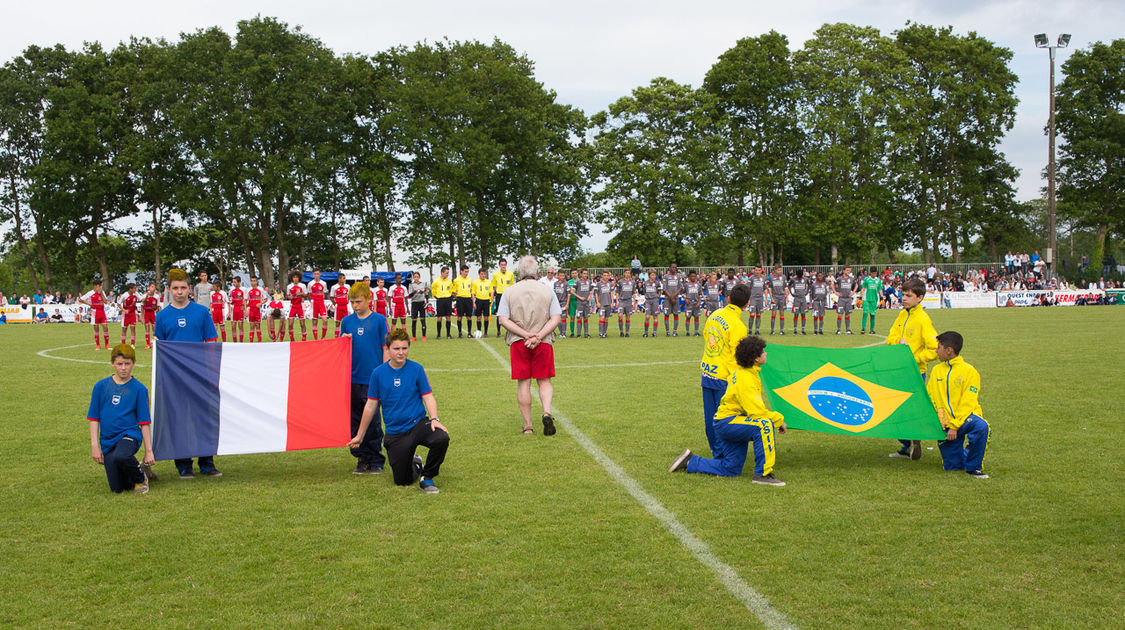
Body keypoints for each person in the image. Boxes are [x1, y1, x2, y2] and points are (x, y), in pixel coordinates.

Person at [670, 335, 787, 486]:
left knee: (731, 469)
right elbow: (756, 412)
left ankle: (690, 461)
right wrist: (778, 420)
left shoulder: (746, 372)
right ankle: (763, 474)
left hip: (727, 422)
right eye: (763, 352)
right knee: (764, 425)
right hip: (729, 423)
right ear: (756, 358)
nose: (766, 354)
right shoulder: (746, 378)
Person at [348, 328, 449, 494]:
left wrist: (434, 419)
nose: (401, 353)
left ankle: (427, 477)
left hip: (418, 424)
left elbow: (428, 397)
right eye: (396, 349)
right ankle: (415, 463)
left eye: (404, 348)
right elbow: (371, 406)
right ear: (387, 349)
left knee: (441, 438)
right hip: (396, 432)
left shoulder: (416, 369)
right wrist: (360, 435)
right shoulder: (378, 374)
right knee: (402, 481)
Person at [154, 268, 221, 478]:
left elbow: (211, 344)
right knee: (179, 420)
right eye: (175, 288)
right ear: (169, 290)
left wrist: (210, 372)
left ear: (189, 288)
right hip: (174, 379)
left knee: (203, 419)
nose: (180, 292)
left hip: (200, 376)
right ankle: (183, 464)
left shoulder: (201, 312)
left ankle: (207, 463)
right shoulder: (162, 316)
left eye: (183, 287)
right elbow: (160, 349)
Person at [497, 255, 562, 435]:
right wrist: (539, 335)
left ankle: (528, 426)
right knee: (544, 380)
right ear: (537, 272)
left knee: (523, 383)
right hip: (544, 342)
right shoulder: (547, 290)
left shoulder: (509, 291)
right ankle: (547, 412)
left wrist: (526, 334)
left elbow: (503, 319)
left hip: (519, 342)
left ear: (519, 272)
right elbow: (556, 317)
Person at [87, 343, 155, 494]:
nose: (123, 368)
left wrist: (148, 451)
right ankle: (141, 468)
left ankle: (141, 477)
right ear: (112, 364)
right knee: (118, 488)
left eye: (127, 364)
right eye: (119, 364)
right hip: (108, 439)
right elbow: (94, 417)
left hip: (129, 435)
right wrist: (94, 445)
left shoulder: (139, 389)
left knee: (121, 455)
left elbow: (144, 423)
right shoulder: (100, 386)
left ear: (133, 363)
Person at [885, 276, 938, 461]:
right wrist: (897, 342)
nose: (904, 298)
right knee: (896, 409)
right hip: (898, 370)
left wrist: (915, 359)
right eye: (903, 294)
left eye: (908, 295)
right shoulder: (901, 315)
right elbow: (890, 338)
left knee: (910, 409)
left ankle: (913, 441)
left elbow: (934, 349)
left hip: (915, 372)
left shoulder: (923, 319)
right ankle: (906, 444)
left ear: (920, 297)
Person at [339, 282, 389, 474]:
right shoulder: (347, 321)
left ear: (369, 300)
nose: (354, 305)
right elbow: (340, 349)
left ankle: (376, 459)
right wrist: (344, 340)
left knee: (374, 421)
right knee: (354, 420)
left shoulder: (378, 320)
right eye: (352, 302)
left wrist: (383, 373)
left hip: (371, 379)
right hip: (351, 379)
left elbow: (385, 347)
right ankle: (361, 458)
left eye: (358, 301)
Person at [927, 331, 990, 478]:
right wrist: (942, 421)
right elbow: (932, 398)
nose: (936, 351)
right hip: (946, 423)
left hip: (966, 418)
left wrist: (955, 426)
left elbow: (969, 402)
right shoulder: (936, 371)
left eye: (939, 347)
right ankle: (966, 453)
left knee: (982, 426)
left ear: (949, 350)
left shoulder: (969, 371)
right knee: (953, 467)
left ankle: (974, 468)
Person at [698, 283, 750, 458]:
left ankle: (717, 451)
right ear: (747, 304)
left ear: (728, 298)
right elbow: (739, 356)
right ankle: (723, 454)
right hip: (724, 377)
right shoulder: (738, 326)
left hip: (707, 372)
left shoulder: (714, 314)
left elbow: (707, 334)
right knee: (724, 418)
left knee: (710, 416)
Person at [79, 280, 109, 350]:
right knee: (96, 328)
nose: (100, 287)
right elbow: (81, 299)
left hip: (102, 311)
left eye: (101, 286)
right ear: (95, 286)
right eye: (99, 286)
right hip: (94, 312)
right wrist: (89, 304)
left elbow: (106, 302)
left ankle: (107, 345)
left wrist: (101, 293)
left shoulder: (102, 292)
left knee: (105, 327)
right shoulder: (90, 293)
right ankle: (98, 345)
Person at [491, 258, 515, 337]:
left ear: (506, 265)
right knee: (499, 313)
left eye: (504, 265)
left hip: (508, 295)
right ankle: (498, 331)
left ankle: (510, 331)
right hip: (499, 295)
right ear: (499, 266)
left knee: (510, 314)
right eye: (502, 265)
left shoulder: (510, 274)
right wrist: (492, 299)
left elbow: (512, 286)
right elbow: (494, 287)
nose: (503, 266)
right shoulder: (495, 274)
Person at [432, 266, 454, 339]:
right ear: (442, 273)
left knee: (448, 317)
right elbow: (433, 292)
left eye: (448, 273)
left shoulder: (449, 281)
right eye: (446, 273)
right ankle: (438, 335)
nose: (447, 274)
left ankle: (448, 334)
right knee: (439, 317)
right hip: (440, 300)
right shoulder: (436, 281)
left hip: (448, 300)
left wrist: (449, 297)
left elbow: (451, 290)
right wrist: (438, 297)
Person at [860, 266, 883, 335]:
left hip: (874, 299)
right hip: (866, 298)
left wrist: (882, 297)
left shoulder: (878, 280)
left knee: (872, 314)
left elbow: (880, 289)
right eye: (873, 273)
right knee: (865, 312)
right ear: (870, 273)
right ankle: (863, 328)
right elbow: (863, 288)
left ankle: (872, 329)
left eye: (875, 273)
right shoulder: (866, 279)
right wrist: (860, 296)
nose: (874, 274)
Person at [570, 268, 593, 338]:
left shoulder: (589, 282)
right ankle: (579, 334)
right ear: (581, 274)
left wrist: (590, 296)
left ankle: (586, 333)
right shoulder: (577, 282)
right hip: (579, 303)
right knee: (579, 318)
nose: (585, 275)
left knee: (586, 318)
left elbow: (591, 290)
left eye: (586, 273)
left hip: (587, 303)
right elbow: (572, 291)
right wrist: (579, 297)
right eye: (584, 273)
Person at [286, 271, 308, 341]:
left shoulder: (302, 286)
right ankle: (292, 339)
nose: (295, 279)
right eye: (294, 277)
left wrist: (301, 294)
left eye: (296, 277)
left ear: (299, 278)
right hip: (293, 306)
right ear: (292, 278)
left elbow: (306, 295)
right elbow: (288, 295)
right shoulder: (289, 286)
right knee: (290, 324)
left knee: (302, 323)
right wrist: (290, 297)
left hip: (300, 306)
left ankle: (304, 338)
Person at [834, 265, 856, 335]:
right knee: (840, 315)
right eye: (847, 270)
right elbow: (833, 285)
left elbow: (857, 285)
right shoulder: (839, 279)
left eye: (849, 270)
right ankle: (838, 330)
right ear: (843, 271)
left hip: (848, 299)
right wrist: (836, 292)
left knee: (848, 315)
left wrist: (853, 292)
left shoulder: (852, 279)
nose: (848, 272)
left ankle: (848, 330)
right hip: (841, 299)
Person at [453, 265, 474, 338]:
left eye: (467, 271)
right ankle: (460, 333)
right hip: (460, 299)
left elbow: (471, 291)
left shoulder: (470, 280)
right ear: (461, 271)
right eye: (465, 271)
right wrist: (457, 298)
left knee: (469, 317)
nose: (466, 273)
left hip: (468, 299)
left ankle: (469, 333)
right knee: (459, 317)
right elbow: (454, 291)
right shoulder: (456, 280)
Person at [308, 269, 329, 340]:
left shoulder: (323, 283)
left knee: (325, 320)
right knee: (314, 321)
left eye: (318, 274)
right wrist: (311, 301)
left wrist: (321, 295)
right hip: (314, 303)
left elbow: (325, 292)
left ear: (320, 274)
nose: (316, 275)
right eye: (315, 274)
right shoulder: (310, 283)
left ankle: (323, 337)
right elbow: (309, 294)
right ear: (313, 275)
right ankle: (316, 339)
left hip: (321, 303)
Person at [662, 263, 682, 336]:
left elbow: (680, 287)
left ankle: (674, 332)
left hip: (676, 298)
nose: (674, 268)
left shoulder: (678, 276)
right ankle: (667, 332)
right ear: (669, 268)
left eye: (675, 267)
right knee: (666, 315)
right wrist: (670, 296)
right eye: (672, 267)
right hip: (667, 298)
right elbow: (664, 288)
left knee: (676, 314)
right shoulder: (665, 276)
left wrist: (673, 296)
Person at [472, 268, 493, 336]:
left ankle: (486, 332)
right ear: (479, 274)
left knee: (486, 317)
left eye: (484, 274)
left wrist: (491, 301)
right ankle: (479, 331)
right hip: (478, 300)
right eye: (482, 274)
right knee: (478, 317)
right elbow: (473, 293)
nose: (483, 275)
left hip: (486, 301)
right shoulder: (475, 282)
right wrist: (473, 302)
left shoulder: (489, 282)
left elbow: (491, 292)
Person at [767, 266, 788, 335]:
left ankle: (781, 330)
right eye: (778, 270)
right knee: (773, 313)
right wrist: (771, 297)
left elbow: (785, 288)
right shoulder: (771, 278)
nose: (780, 271)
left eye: (780, 270)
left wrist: (786, 297)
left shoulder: (784, 277)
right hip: (775, 297)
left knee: (782, 313)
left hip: (782, 297)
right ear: (775, 270)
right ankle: (772, 330)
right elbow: (769, 288)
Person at [408, 271, 428, 341]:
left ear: (419, 277)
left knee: (422, 319)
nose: (416, 278)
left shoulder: (423, 284)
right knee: (414, 320)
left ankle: (424, 336)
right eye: (415, 277)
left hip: (421, 302)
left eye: (417, 277)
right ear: (413, 277)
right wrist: (415, 292)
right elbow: (409, 296)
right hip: (414, 303)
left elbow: (426, 293)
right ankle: (414, 336)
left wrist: (427, 302)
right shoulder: (411, 285)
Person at [594, 270, 615, 338]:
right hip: (601, 304)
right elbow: (596, 293)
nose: (606, 277)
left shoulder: (610, 284)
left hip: (608, 303)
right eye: (604, 275)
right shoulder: (598, 284)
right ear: (602, 276)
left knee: (606, 319)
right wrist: (597, 302)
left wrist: (612, 302)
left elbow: (611, 293)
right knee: (602, 318)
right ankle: (600, 333)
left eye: (607, 275)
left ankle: (604, 333)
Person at [747, 267, 767, 335]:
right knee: (752, 314)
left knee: (759, 314)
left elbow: (765, 289)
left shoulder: (763, 278)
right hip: (753, 298)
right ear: (754, 271)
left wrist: (766, 299)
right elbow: (747, 289)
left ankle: (757, 330)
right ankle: (750, 330)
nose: (757, 271)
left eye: (759, 270)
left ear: (761, 271)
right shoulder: (751, 278)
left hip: (760, 299)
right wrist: (748, 299)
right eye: (756, 270)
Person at [642, 270, 661, 338]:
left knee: (655, 317)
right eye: (652, 275)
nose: (653, 276)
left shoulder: (657, 283)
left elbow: (659, 292)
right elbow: (644, 292)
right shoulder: (645, 283)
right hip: (648, 301)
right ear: (649, 275)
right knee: (647, 317)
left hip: (655, 301)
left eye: (654, 275)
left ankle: (654, 333)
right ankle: (646, 332)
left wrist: (657, 298)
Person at [616, 272, 636, 337]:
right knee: (620, 315)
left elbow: (633, 293)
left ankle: (627, 333)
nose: (628, 274)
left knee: (628, 317)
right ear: (624, 273)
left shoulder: (632, 282)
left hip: (629, 301)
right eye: (626, 273)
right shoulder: (620, 282)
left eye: (629, 273)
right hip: (621, 301)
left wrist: (634, 302)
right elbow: (617, 292)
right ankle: (621, 332)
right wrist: (616, 301)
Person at [246, 276, 266, 342]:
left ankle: (259, 342)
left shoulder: (261, 289)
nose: (253, 282)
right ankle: (251, 342)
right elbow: (245, 300)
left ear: (257, 281)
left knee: (258, 325)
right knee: (251, 326)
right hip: (251, 309)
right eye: (252, 281)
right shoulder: (248, 290)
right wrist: (245, 310)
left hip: (258, 310)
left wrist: (260, 303)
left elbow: (265, 299)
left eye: (254, 280)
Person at [790, 270, 810, 335]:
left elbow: (809, 284)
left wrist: (807, 291)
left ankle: (803, 330)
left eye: (800, 277)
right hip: (796, 298)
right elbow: (789, 285)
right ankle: (795, 330)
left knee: (803, 313)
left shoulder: (805, 279)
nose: (799, 278)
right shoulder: (793, 280)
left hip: (803, 298)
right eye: (799, 277)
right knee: (796, 314)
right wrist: (792, 293)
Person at [331, 272, 350, 337]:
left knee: (346, 322)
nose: (345, 280)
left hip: (345, 306)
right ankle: (336, 337)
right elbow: (331, 297)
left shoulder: (347, 286)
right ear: (339, 279)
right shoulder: (334, 287)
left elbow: (349, 296)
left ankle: (346, 336)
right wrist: (335, 304)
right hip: (338, 307)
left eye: (345, 278)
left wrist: (348, 302)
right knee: (337, 322)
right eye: (343, 278)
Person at [552, 273, 569, 338]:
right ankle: (561, 333)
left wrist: (567, 304)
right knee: (558, 319)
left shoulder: (566, 284)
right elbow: (554, 293)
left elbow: (569, 294)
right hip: (557, 303)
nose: (562, 277)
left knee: (563, 318)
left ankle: (563, 334)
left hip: (564, 302)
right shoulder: (555, 284)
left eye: (563, 276)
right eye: (560, 275)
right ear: (558, 276)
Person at [229, 276, 246, 342]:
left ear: (239, 282)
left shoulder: (243, 289)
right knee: (233, 326)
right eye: (233, 282)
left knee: (240, 325)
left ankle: (241, 342)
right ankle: (235, 342)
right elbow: (230, 298)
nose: (233, 284)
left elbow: (245, 299)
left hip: (240, 309)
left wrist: (244, 308)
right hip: (234, 308)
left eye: (235, 282)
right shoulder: (231, 290)